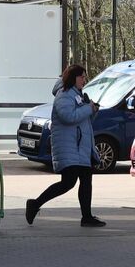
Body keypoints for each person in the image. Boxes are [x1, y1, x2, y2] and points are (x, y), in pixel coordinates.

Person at [26, 65, 105, 228]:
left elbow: (83, 119)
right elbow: (68, 117)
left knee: (86, 179)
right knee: (68, 182)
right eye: (82, 77)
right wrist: (87, 108)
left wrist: (92, 109)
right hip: (69, 147)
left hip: (79, 147)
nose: (84, 80)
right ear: (73, 77)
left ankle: (87, 217)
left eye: (84, 77)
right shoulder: (64, 94)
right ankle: (35, 204)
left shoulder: (77, 94)